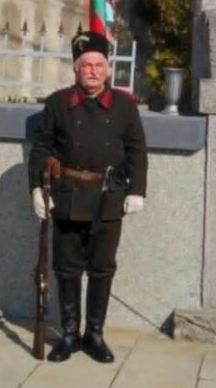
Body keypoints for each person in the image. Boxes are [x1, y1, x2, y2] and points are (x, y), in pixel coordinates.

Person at [29, 30, 147, 363]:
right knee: (66, 269)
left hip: (108, 198)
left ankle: (94, 334)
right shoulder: (58, 103)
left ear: (107, 69)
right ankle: (69, 334)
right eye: (86, 66)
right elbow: (41, 148)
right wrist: (37, 188)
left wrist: (137, 190)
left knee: (102, 268)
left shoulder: (125, 105)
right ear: (75, 70)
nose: (93, 71)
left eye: (98, 65)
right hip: (67, 196)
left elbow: (137, 149)